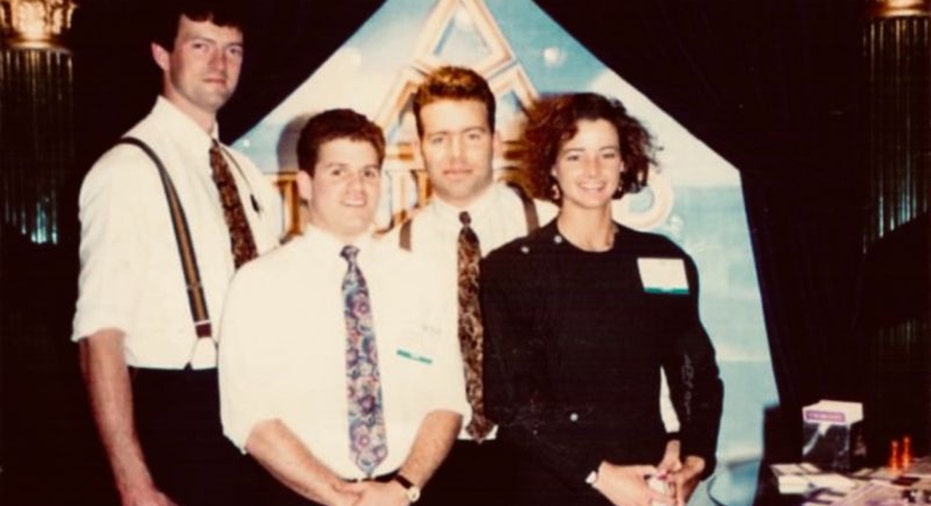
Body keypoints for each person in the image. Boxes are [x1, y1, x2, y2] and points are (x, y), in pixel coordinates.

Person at [72, 2, 283, 505]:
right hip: (180, 417)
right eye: (200, 46)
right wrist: (134, 483)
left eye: (232, 50)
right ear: (161, 54)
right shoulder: (127, 170)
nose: (219, 64)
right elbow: (99, 337)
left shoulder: (246, 174)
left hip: (257, 406)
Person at [481, 92, 724, 506]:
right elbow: (512, 407)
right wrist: (598, 474)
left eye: (607, 154)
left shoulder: (662, 260)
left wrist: (693, 457)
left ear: (625, 162)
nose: (593, 169)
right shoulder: (512, 269)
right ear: (552, 166)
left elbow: (696, 372)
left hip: (645, 484)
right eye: (575, 155)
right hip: (553, 487)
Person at [219, 109, 469, 506]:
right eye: (338, 172)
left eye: (369, 173)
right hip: (301, 494)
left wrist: (402, 488)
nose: (357, 187)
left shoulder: (421, 277)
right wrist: (344, 499)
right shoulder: (258, 285)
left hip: (403, 495)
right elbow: (249, 418)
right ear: (304, 183)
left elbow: (448, 399)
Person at [384, 65, 557, 506]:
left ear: (497, 141)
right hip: (441, 461)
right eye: (439, 138)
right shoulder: (392, 251)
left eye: (472, 135)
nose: (455, 154)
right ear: (418, 148)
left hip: (547, 455)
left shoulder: (552, 226)